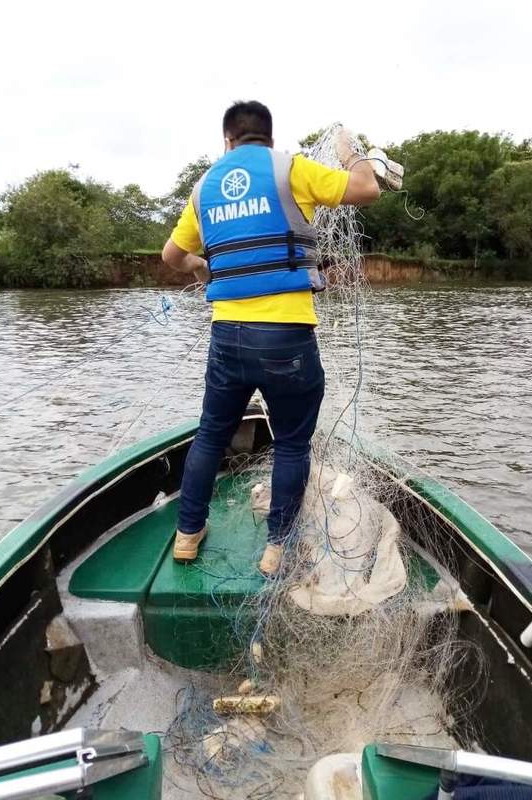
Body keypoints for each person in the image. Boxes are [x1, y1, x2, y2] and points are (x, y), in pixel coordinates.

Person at [162, 100, 380, 575]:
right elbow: (367, 187)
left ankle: (186, 535)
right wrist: (350, 151)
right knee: (292, 444)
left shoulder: (204, 188)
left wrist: (201, 265)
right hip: (286, 337)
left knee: (210, 436)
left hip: (227, 338)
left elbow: (171, 255)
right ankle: (277, 548)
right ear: (270, 138)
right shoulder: (292, 170)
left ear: (227, 141)